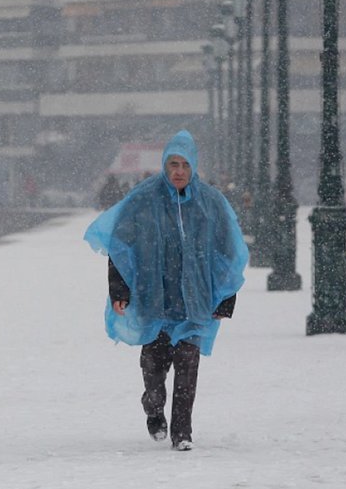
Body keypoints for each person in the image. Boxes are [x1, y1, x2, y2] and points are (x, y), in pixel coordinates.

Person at [84, 130, 249, 451]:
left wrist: (226, 297)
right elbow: (120, 246)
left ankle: (182, 432)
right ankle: (153, 406)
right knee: (154, 368)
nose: (178, 171)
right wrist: (120, 290)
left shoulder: (211, 203)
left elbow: (229, 254)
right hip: (154, 299)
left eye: (185, 165)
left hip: (195, 300)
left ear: (194, 166)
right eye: (173, 164)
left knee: (188, 366)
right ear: (164, 164)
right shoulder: (143, 200)